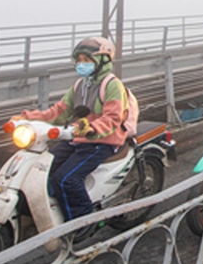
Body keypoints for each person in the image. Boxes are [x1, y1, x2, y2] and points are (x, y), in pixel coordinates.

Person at [18, 37, 129, 228]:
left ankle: (83, 223)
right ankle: (58, 210)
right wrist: (28, 118)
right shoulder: (79, 85)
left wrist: (92, 128)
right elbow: (58, 112)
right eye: (79, 60)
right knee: (41, 171)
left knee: (66, 179)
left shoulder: (112, 85)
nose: (82, 65)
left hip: (103, 141)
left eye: (87, 60)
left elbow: (113, 118)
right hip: (78, 138)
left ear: (102, 61)